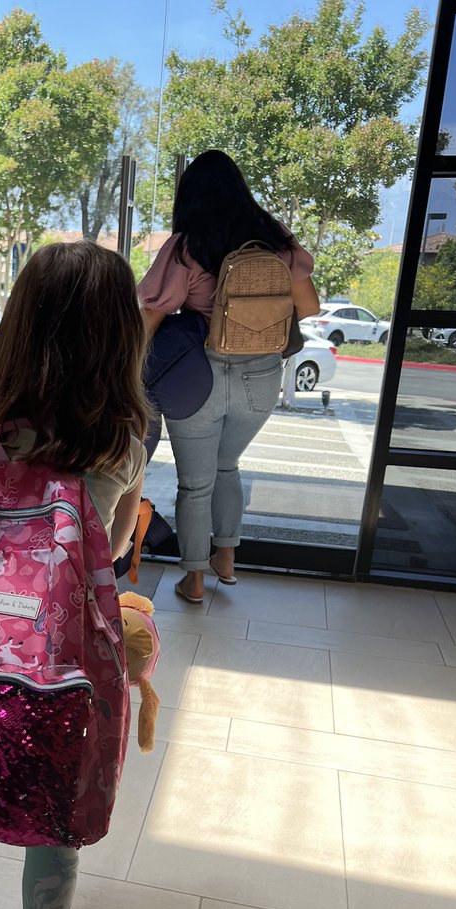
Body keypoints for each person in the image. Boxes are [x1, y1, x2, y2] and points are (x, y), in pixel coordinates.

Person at [0, 240, 149, 909]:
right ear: (117, 340)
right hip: (61, 665)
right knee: (51, 811)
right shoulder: (121, 448)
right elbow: (118, 548)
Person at [139, 150, 319, 603]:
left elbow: (152, 314)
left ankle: (194, 580)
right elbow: (310, 307)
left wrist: (132, 366)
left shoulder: (187, 244)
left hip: (197, 374)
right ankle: (227, 559)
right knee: (228, 466)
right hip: (261, 375)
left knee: (195, 483)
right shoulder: (274, 239)